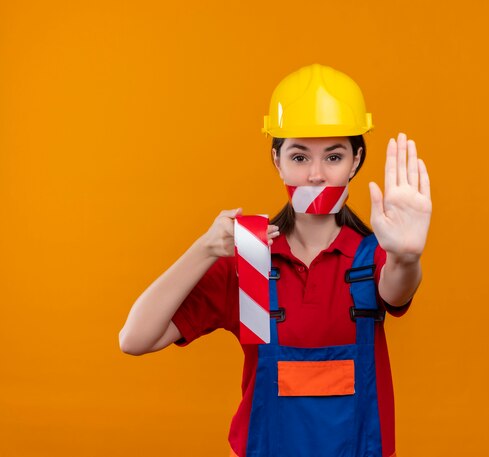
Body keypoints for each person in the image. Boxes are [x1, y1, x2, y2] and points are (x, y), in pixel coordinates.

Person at [119, 63, 432, 457]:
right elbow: (134, 339)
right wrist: (204, 249)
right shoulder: (250, 258)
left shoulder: (375, 257)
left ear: (355, 161)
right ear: (276, 159)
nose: (316, 175)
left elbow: (398, 288)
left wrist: (407, 256)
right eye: (300, 157)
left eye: (333, 157)